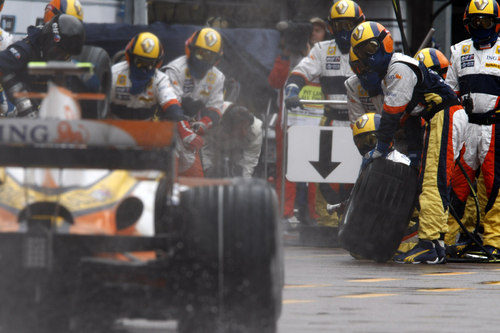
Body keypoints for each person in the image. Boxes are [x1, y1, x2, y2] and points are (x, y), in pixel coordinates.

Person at [350, 21, 468, 264]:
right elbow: (401, 119)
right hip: (438, 118)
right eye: (362, 54)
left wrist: (381, 148)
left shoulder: (398, 68)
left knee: (434, 182)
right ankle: (434, 243)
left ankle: (429, 245)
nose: (368, 58)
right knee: (431, 181)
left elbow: (392, 115)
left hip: (445, 114)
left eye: (370, 48)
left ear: (384, 44)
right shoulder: (391, 73)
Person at [281, 0, 365, 227]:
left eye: (348, 24)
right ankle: (326, 221)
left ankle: (353, 220)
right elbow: (301, 70)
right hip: (330, 120)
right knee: (323, 174)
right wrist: (292, 88)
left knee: (358, 174)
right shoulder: (322, 49)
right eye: (338, 25)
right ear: (331, 27)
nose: (343, 30)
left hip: (360, 123)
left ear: (359, 24)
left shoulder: (368, 47)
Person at [445, 0, 500, 257]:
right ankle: (450, 237)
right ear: (468, 22)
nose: (480, 25)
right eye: (476, 21)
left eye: (486, 21)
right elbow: (450, 91)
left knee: (493, 185)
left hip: (494, 128)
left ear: (496, 22)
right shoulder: (458, 51)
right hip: (467, 127)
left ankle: (494, 241)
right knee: (458, 184)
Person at [161, 27, 224, 177]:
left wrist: (204, 123)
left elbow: (216, 109)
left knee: (196, 182)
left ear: (216, 59)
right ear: (191, 49)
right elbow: (170, 105)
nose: (203, 59)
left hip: (190, 132)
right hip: (164, 128)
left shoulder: (218, 77)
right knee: (167, 179)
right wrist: (185, 131)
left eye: (210, 56)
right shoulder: (175, 69)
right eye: (201, 53)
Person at [0, 14, 85, 117]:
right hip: (19, 109)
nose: (60, 58)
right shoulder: (25, 49)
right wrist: (22, 101)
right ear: (48, 40)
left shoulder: (65, 64)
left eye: (66, 55)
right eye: (58, 52)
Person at [110, 32, 183, 121]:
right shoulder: (114, 74)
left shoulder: (160, 79)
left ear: (157, 63)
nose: (144, 69)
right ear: (131, 58)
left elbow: (170, 101)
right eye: (140, 62)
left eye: (150, 64)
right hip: (115, 127)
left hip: (146, 129)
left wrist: (176, 113)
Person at [202, 102, 263, 178]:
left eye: (246, 128)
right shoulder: (213, 121)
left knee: (237, 173)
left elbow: (248, 163)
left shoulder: (256, 129)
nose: (244, 133)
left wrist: (243, 184)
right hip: (216, 148)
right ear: (228, 127)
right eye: (240, 130)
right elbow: (205, 150)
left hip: (239, 153)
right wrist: (207, 170)